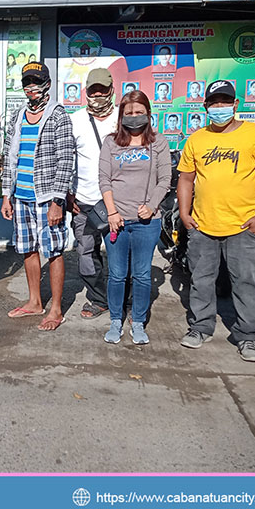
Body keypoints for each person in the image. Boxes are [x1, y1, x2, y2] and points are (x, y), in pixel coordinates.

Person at [177, 80, 255, 361]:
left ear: (235, 105)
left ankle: (248, 336)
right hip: (204, 224)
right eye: (214, 103)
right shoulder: (197, 139)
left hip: (243, 225)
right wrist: (184, 213)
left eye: (224, 102)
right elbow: (185, 178)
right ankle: (200, 327)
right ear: (206, 106)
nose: (220, 108)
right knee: (201, 280)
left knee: (246, 282)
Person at [1, 61, 74, 331]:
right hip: (21, 196)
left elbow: (66, 159)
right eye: (27, 82)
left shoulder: (58, 115)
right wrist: (6, 194)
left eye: (36, 81)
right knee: (28, 249)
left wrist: (57, 201)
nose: (31, 87)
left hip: (47, 198)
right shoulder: (18, 115)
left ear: (48, 84)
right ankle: (34, 301)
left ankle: (55, 308)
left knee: (53, 251)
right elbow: (10, 156)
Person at [98, 91, 171, 344]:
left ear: (148, 114)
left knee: (141, 274)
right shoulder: (111, 143)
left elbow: (165, 180)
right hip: (116, 221)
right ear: (121, 116)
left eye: (139, 112)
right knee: (117, 274)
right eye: (128, 113)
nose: (134, 117)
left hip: (147, 223)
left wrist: (151, 206)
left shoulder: (159, 142)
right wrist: (112, 212)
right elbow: (104, 180)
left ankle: (138, 321)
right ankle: (116, 320)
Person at [69, 67, 118, 320]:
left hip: (119, 204)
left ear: (112, 89)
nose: (98, 94)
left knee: (122, 257)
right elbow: (66, 160)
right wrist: (68, 196)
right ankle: (98, 299)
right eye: (93, 90)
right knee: (86, 255)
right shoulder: (74, 120)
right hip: (84, 203)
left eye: (102, 89)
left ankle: (126, 302)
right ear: (86, 92)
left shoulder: (125, 118)